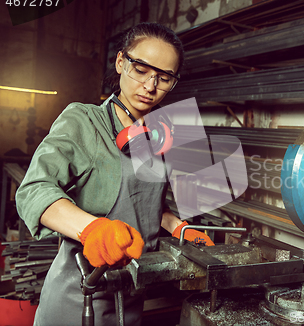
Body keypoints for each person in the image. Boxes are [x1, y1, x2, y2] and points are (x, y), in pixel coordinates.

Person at [15, 22, 213, 326]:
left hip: (131, 295)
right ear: (121, 62)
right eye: (141, 69)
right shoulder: (83, 122)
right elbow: (34, 190)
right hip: (79, 297)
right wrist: (91, 229)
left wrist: (178, 227)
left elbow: (146, 203)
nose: (150, 86)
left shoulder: (155, 136)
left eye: (164, 78)